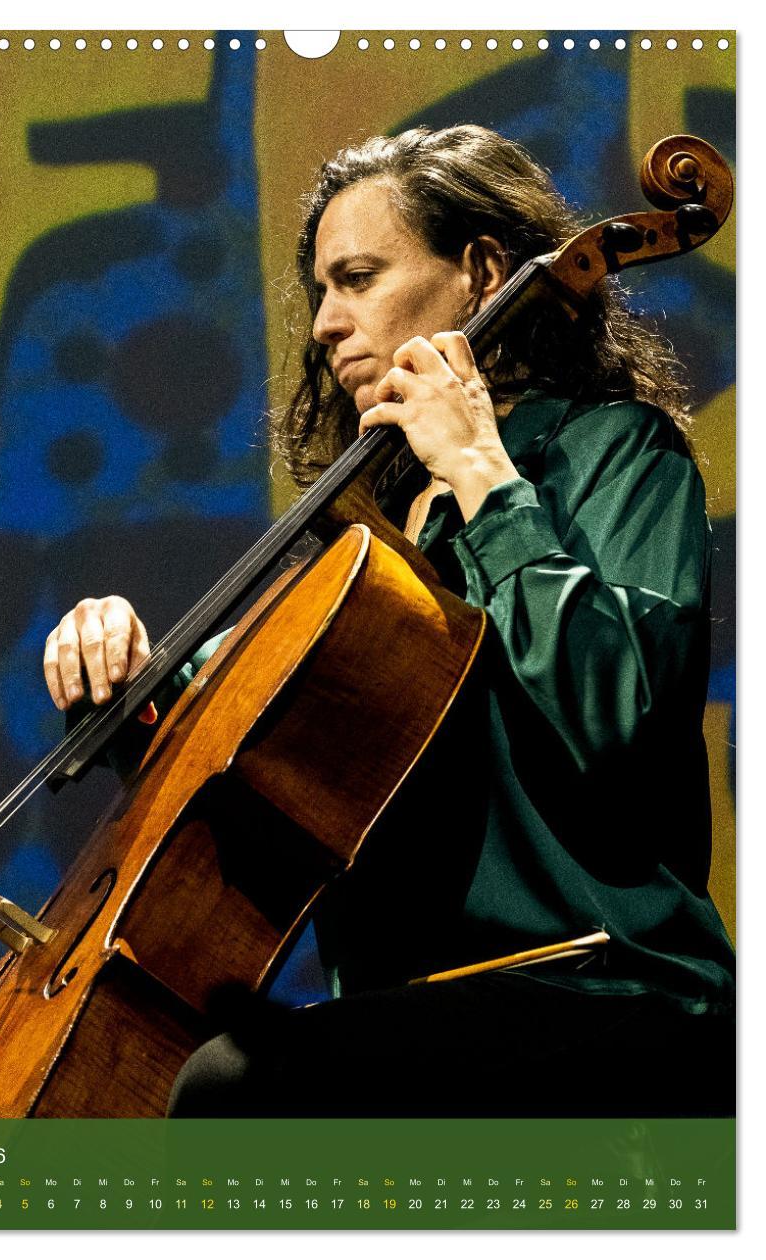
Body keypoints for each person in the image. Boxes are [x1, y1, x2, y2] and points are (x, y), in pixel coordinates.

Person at [43, 125, 735, 1118]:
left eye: (357, 278)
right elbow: (283, 805)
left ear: (480, 272)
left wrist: (486, 480)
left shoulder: (608, 453)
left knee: (237, 1091)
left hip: (606, 991)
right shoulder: (364, 548)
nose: (325, 324)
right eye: (321, 290)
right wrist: (142, 694)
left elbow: (616, 714)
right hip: (411, 1010)